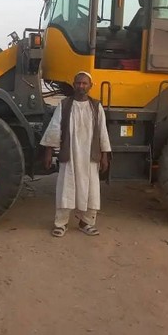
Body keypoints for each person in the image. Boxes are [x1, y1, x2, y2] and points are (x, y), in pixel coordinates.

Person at [40, 71, 112, 237]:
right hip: (70, 155)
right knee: (66, 188)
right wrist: (49, 152)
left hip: (90, 157)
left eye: (84, 83)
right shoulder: (65, 105)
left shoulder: (96, 106)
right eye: (78, 83)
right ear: (74, 85)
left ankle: (86, 222)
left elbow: (103, 132)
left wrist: (105, 155)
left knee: (91, 190)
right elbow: (54, 129)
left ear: (90, 86)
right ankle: (61, 224)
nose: (81, 86)